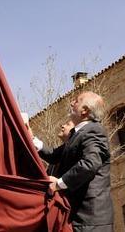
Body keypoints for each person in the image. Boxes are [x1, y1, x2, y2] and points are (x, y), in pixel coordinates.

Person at [36, 91, 114, 231]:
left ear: (85, 110)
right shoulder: (77, 134)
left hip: (90, 219)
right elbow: (54, 155)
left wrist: (58, 184)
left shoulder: (94, 130)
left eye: (76, 101)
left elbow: (90, 164)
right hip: (78, 216)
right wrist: (31, 140)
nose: (71, 103)